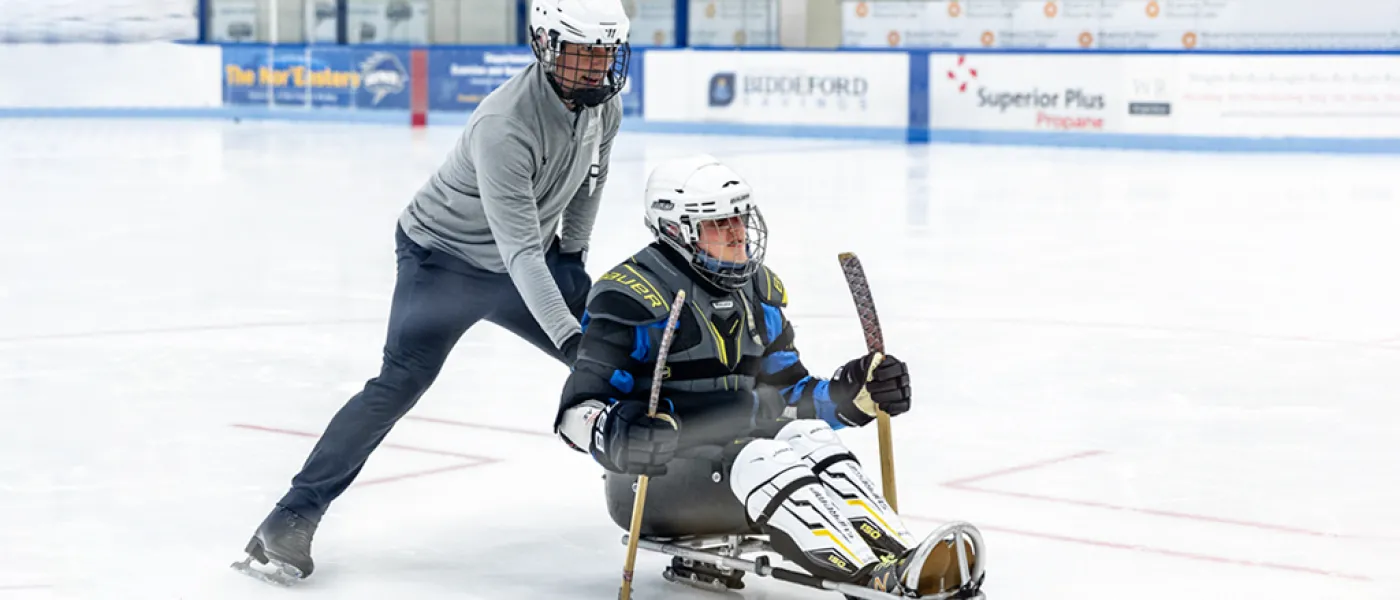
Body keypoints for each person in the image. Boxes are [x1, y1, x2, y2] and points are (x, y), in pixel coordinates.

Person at [235, 0, 632, 583]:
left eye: (604, 53)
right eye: (581, 53)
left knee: (620, 356)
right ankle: (288, 519)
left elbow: (590, 181)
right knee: (399, 383)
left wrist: (573, 253)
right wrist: (572, 337)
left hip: (528, 257)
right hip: (441, 260)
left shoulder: (603, 106)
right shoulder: (506, 124)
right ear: (546, 47)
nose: (596, 67)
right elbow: (519, 253)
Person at [553, 155, 984, 597]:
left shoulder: (759, 292)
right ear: (676, 231)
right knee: (762, 456)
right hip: (654, 486)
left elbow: (789, 396)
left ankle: (905, 558)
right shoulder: (630, 298)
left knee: (810, 437)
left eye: (739, 217)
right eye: (719, 223)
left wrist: (854, 395)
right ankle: (872, 579)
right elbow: (575, 414)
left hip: (738, 470)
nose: (738, 233)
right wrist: (619, 432)